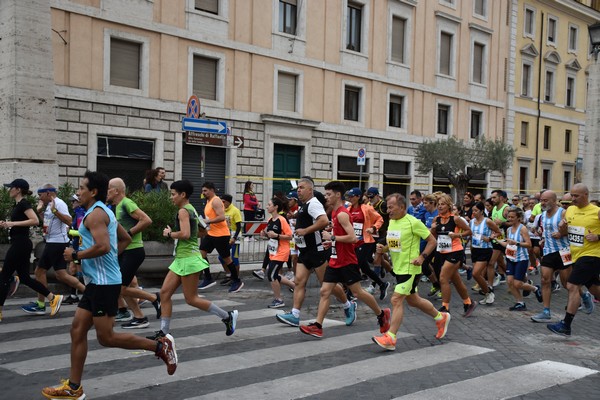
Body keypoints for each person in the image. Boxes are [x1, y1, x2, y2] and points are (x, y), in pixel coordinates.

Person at [42, 171, 177, 399]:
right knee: (77, 331)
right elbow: (123, 239)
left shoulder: (95, 215)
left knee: (107, 338)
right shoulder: (105, 212)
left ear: (93, 191)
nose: (78, 192)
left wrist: (76, 256)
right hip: (98, 282)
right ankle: (74, 388)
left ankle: (160, 346)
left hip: (104, 284)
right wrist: (110, 262)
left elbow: (104, 246)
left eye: (82, 188)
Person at [146, 180, 238, 340]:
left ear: (182, 195)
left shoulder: (183, 211)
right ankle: (164, 333)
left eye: (173, 194)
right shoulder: (192, 210)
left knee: (191, 299)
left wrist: (170, 234)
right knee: (164, 293)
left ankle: (227, 316)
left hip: (188, 260)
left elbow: (186, 234)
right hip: (181, 259)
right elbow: (202, 232)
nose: (171, 197)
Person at [299, 181, 390, 339]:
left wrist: (332, 236)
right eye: (325, 194)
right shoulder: (335, 213)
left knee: (357, 292)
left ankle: (382, 314)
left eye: (328, 194)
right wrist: (331, 241)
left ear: (337, 195)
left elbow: (353, 238)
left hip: (347, 261)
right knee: (324, 291)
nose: (326, 197)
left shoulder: (341, 213)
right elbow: (341, 235)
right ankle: (318, 326)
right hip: (335, 260)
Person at [371, 193, 450, 351]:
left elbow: (432, 241)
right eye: (387, 207)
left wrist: (422, 257)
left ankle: (391, 337)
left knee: (396, 300)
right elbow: (393, 243)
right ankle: (441, 317)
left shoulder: (413, 222)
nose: (389, 210)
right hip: (398, 268)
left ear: (402, 207)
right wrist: (383, 248)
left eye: (391, 207)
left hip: (410, 268)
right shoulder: (392, 221)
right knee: (414, 301)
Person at [276, 177, 356, 327]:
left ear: (310, 190)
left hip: (316, 251)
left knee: (327, 285)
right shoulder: (304, 205)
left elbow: (324, 221)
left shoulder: (313, 204)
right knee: (299, 281)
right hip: (305, 250)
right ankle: (295, 314)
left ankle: (348, 305)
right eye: (298, 187)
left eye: (301, 187)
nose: (298, 190)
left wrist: (305, 230)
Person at [0, 179, 63, 322]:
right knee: (25, 278)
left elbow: (35, 220)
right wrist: (6, 225)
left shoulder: (24, 204)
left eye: (11, 188)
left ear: (18, 189)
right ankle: (53, 298)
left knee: (4, 277)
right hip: (19, 243)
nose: (9, 190)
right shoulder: (17, 205)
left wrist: (12, 223)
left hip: (21, 244)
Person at [22, 184, 85, 315]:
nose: (39, 198)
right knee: (61, 275)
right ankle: (91, 294)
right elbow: (47, 223)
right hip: (53, 242)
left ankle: (41, 304)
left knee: (39, 271)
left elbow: (69, 221)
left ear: (48, 193)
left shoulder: (59, 204)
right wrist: (40, 212)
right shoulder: (50, 205)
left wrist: (56, 211)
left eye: (40, 195)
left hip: (56, 243)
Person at [107, 178, 161, 329]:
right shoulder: (117, 206)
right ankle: (139, 317)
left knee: (121, 287)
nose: (107, 192)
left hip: (134, 251)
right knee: (124, 286)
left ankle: (154, 298)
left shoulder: (126, 203)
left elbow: (146, 220)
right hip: (125, 251)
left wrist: (128, 234)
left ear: (116, 190)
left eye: (109, 189)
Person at [548, 184, 600, 336]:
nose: (573, 198)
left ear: (586, 194)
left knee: (572, 285)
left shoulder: (596, 212)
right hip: (575, 255)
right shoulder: (570, 210)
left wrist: (598, 237)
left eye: (576, 196)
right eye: (572, 195)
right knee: (594, 289)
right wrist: (562, 228)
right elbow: (564, 233)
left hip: (592, 255)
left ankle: (566, 325)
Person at [431, 194, 476, 317]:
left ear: (449, 206)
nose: (440, 206)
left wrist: (457, 235)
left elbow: (469, 231)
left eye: (443, 204)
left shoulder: (455, 219)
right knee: (456, 280)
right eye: (438, 204)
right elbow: (433, 237)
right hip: (442, 251)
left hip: (455, 251)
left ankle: (445, 307)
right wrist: (432, 229)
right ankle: (468, 302)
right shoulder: (436, 220)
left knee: (443, 278)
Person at [531, 190, 573, 322]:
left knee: (567, 283)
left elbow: (573, 231)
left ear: (554, 201)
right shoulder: (542, 216)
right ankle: (546, 311)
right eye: (541, 200)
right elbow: (544, 231)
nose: (542, 203)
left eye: (545, 200)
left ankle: (583, 296)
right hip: (549, 251)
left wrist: (562, 234)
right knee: (544, 280)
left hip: (564, 251)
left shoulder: (563, 213)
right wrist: (542, 237)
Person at [198, 182, 243, 292]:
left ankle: (237, 280)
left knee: (226, 259)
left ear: (212, 190)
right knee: (201, 255)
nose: (203, 193)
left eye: (205, 191)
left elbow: (222, 217)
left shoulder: (216, 200)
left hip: (221, 235)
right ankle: (208, 278)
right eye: (202, 191)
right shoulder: (208, 201)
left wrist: (207, 221)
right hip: (211, 233)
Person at [345, 187, 388, 300]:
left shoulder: (366, 208)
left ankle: (350, 292)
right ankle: (382, 284)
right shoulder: (348, 209)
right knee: (364, 268)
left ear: (358, 197)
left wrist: (373, 228)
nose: (349, 198)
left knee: (356, 264)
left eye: (351, 196)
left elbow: (380, 219)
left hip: (365, 240)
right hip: (353, 241)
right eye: (348, 196)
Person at [496, 207, 542, 311]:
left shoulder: (522, 228)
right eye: (509, 217)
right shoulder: (508, 229)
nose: (510, 219)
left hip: (521, 259)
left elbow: (529, 244)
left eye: (512, 217)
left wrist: (517, 243)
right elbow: (508, 244)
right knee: (510, 281)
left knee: (517, 283)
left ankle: (535, 289)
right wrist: (496, 240)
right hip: (510, 258)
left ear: (518, 218)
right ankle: (520, 302)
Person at [261, 197, 295, 308]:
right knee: (275, 274)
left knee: (271, 275)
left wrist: (277, 235)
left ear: (275, 207)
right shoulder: (270, 220)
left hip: (282, 251)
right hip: (273, 251)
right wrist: (265, 234)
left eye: (269, 204)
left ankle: (278, 299)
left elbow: (290, 236)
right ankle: (295, 287)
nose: (267, 206)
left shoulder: (282, 220)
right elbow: (270, 235)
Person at [469, 202, 502, 305]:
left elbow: (498, 232)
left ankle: (489, 291)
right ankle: (488, 292)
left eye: (476, 211)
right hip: (475, 249)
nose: (474, 213)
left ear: (482, 211)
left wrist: (490, 238)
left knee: (475, 273)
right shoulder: (471, 222)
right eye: (473, 211)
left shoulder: (487, 221)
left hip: (485, 249)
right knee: (477, 275)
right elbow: (471, 234)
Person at [218, 194, 243, 286]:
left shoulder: (235, 211)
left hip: (235, 238)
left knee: (234, 258)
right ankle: (229, 274)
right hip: (226, 236)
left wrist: (234, 237)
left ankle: (236, 277)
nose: (222, 203)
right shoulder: (222, 210)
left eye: (223, 201)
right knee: (221, 257)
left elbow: (239, 226)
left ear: (228, 201)